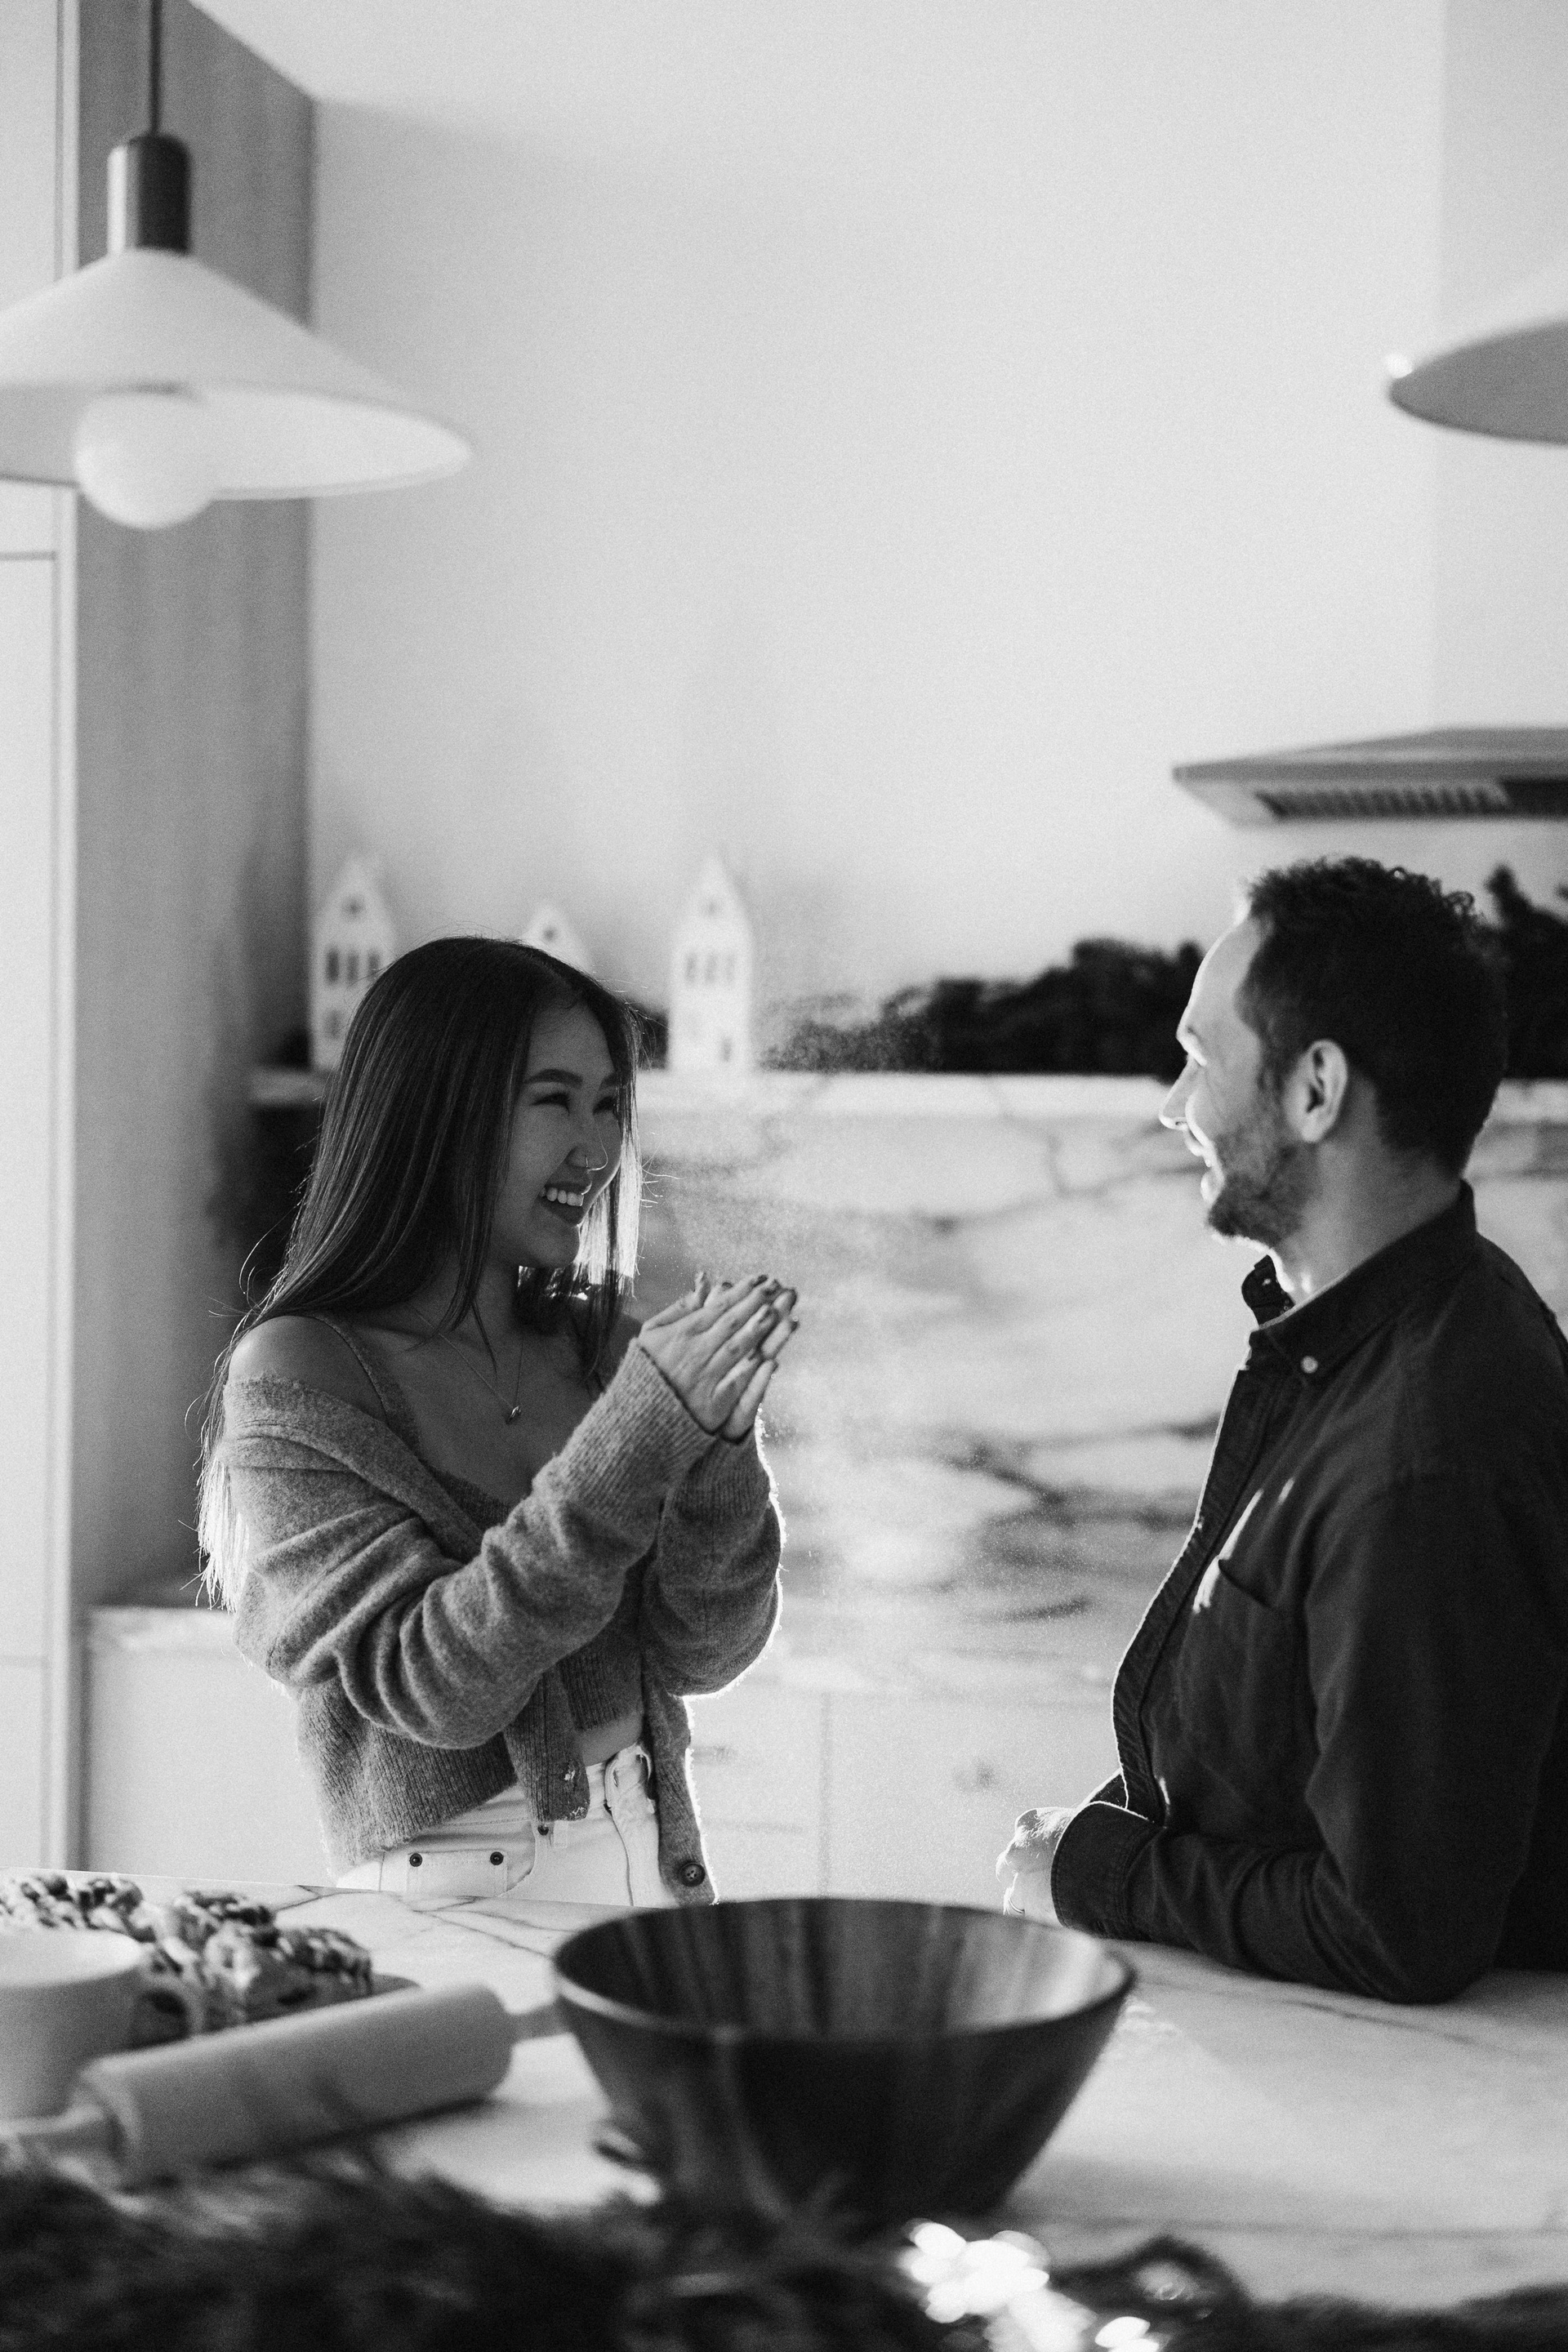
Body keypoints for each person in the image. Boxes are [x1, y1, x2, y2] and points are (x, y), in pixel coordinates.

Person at [997, 857, 1568, 2002]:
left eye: (1202, 1059)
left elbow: (1397, 1928)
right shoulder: (1380, 1333)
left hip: (1408, 2081)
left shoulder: (1428, 1449)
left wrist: (1102, 1872)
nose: (1176, 1107)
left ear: (1316, 1091)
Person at [199, 938, 795, 1910]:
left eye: (609, 1105)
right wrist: (635, 1441)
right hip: (452, 1903)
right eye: (555, 1100)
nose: (596, 1150)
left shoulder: (603, 1352)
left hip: (653, 1869)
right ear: (435, 1111)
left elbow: (704, 1652)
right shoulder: (304, 1372)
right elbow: (435, 1685)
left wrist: (720, 1446)